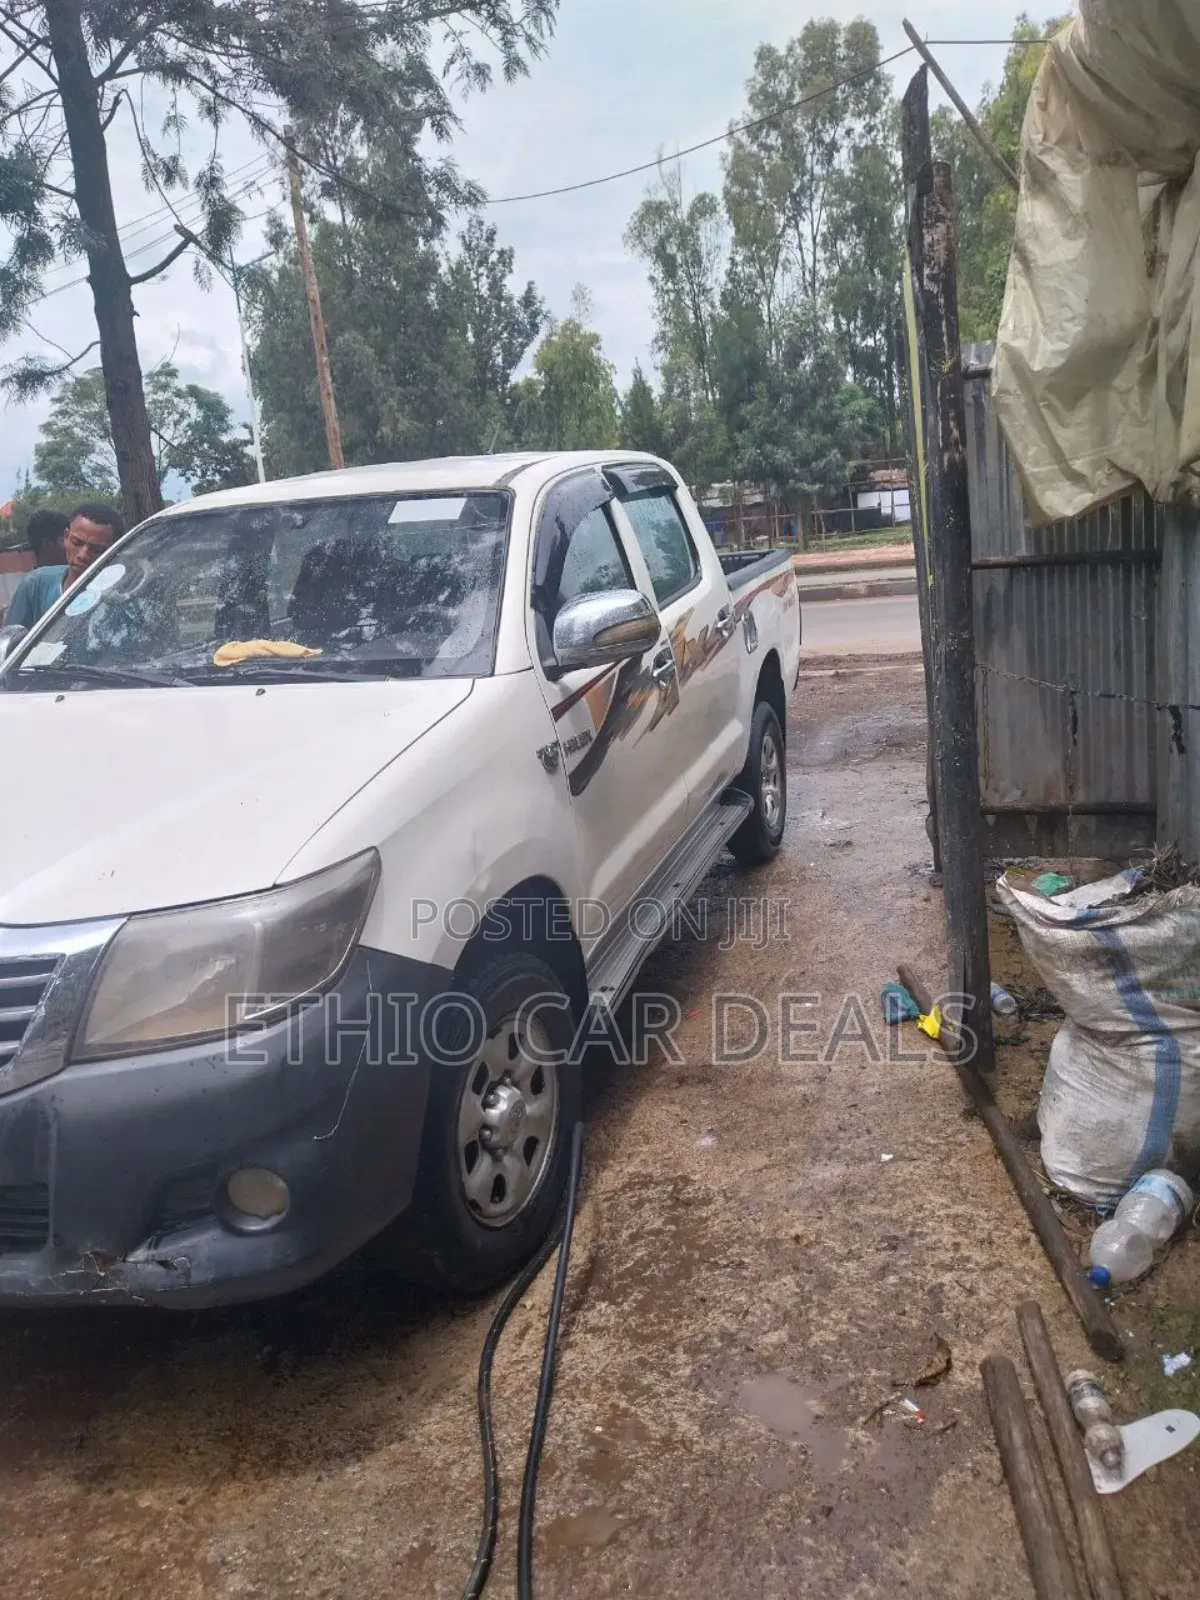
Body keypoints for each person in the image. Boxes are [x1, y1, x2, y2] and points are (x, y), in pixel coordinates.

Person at [3, 502, 125, 630]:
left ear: (115, 551)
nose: (82, 555)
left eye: (96, 549)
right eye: (76, 543)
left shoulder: (121, 600)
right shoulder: (35, 585)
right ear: (66, 537)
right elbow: (10, 640)